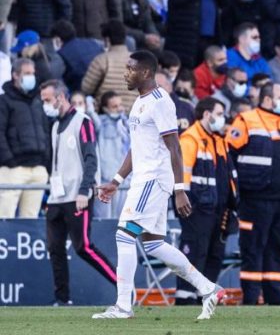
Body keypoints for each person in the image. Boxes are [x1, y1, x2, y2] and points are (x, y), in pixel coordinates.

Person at [93, 51, 225, 320]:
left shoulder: (160, 100)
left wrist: (180, 188)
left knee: (124, 235)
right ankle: (208, 288)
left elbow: (174, 146)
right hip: (143, 179)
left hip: (154, 180)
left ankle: (123, 306)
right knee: (153, 245)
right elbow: (137, 146)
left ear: (145, 73)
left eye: (130, 68)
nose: (126, 73)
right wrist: (117, 181)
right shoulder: (139, 103)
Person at [41, 79, 117, 306]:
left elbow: (90, 159)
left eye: (47, 99)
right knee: (55, 250)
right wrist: (50, 197)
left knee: (83, 246)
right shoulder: (55, 126)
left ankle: (123, 286)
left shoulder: (82, 122)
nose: (45, 104)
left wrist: (85, 191)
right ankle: (62, 299)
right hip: (57, 197)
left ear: (60, 97)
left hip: (77, 195)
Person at [226, 82, 280, 305]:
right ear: (267, 100)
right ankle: (250, 297)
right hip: (255, 198)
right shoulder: (247, 120)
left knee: (276, 249)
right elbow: (228, 156)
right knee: (253, 249)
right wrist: (235, 194)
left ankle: (274, 295)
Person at [175, 96, 238, 305]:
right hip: (196, 208)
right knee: (195, 254)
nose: (223, 119)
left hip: (218, 210)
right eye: (220, 114)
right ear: (207, 114)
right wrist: (182, 200)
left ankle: (205, 298)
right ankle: (185, 300)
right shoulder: (190, 139)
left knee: (214, 256)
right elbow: (181, 174)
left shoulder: (219, 140)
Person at [0, 59, 49, 218]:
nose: (31, 77)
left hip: (38, 168)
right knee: (5, 216)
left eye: (32, 73)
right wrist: (10, 161)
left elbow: (45, 131)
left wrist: (44, 160)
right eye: (27, 73)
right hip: (13, 169)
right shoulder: (3, 101)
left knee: (31, 218)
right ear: (15, 75)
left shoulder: (37, 101)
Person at [81, 20, 137, 107]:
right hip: (133, 113)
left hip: (106, 113)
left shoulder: (101, 60)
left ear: (107, 39)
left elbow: (86, 88)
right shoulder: (138, 61)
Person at [93, 91, 131, 219]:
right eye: (114, 106)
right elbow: (90, 115)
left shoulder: (126, 124)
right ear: (105, 109)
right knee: (104, 220)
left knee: (122, 220)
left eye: (120, 105)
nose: (120, 109)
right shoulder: (100, 123)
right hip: (106, 180)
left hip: (124, 181)